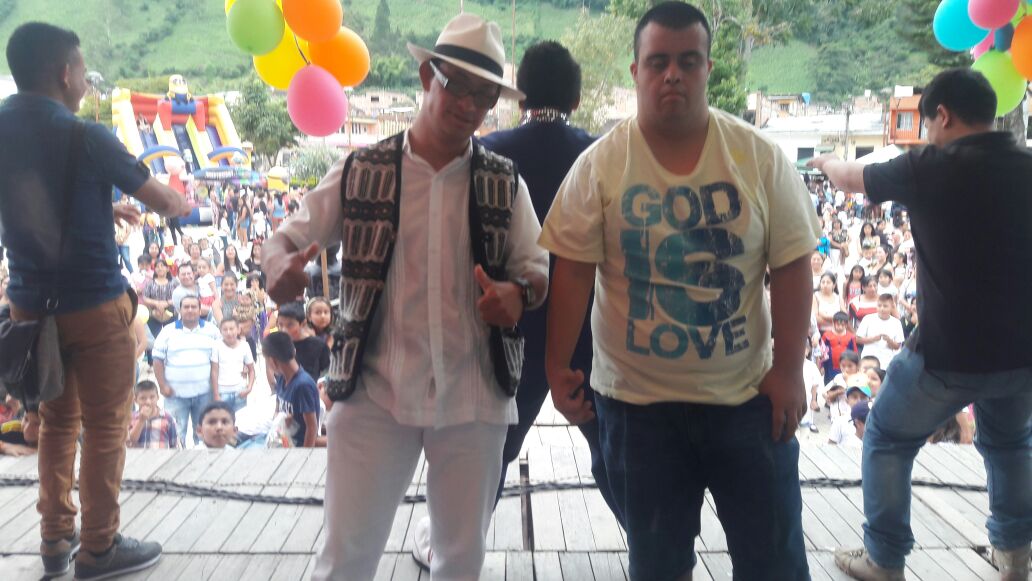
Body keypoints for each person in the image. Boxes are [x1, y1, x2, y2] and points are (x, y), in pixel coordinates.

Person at [264, 13, 548, 580]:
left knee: (461, 561)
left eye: (484, 96)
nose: (469, 105)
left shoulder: (503, 182)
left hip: (473, 394)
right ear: (426, 76)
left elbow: (535, 269)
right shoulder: (361, 170)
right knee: (345, 560)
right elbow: (285, 239)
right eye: (457, 86)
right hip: (375, 390)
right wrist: (278, 266)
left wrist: (518, 295)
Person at [539, 4, 816, 579]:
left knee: (773, 561)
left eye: (688, 62)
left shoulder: (757, 157)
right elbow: (573, 270)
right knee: (659, 564)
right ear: (636, 71)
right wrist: (556, 365)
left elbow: (791, 264)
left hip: (747, 400)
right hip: (637, 408)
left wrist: (790, 369)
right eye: (658, 62)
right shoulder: (600, 165)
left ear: (708, 68)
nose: (673, 75)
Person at [810, 67, 1032, 581]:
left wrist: (824, 162)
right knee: (1010, 444)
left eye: (928, 122)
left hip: (947, 352)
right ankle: (1015, 559)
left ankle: (884, 560)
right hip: (1021, 352)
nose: (929, 132)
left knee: (886, 436)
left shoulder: (928, 166)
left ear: (943, 115)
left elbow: (849, 178)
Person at [413, 39, 620, 563]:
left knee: (492, 452)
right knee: (609, 447)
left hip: (508, 329)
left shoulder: (485, 152)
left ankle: (448, 544)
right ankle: (651, 542)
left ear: (518, 95)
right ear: (576, 98)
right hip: (587, 333)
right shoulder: (603, 155)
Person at [0, 22, 189, 579]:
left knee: (56, 420)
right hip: (94, 306)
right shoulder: (87, 136)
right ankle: (99, 548)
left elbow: (28, 199)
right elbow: (165, 202)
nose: (85, 82)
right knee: (106, 426)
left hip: (29, 307)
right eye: (82, 71)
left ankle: (55, 538)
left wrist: (98, 208)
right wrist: (178, 200)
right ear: (65, 73)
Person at [152, 295, 221, 446]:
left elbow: (221, 358)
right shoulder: (167, 332)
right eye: (186, 307)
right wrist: (162, 386)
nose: (190, 310)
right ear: (179, 310)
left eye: (194, 307)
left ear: (200, 309)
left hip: (205, 394)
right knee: (175, 436)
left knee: (204, 436)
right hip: (175, 394)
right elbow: (157, 359)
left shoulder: (212, 331)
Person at [262, 332, 319, 448]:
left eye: (267, 361)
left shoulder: (303, 385)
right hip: (283, 441)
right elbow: (278, 410)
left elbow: (312, 428)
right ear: (294, 351)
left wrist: (304, 455)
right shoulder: (281, 379)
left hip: (298, 447)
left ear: (272, 361)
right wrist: (280, 421)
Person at [210, 317, 255, 412]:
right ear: (220, 331)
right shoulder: (216, 346)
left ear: (238, 330)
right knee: (224, 418)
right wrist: (216, 394)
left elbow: (251, 369)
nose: (229, 332)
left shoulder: (244, 345)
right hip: (222, 392)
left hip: (240, 391)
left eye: (231, 329)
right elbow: (214, 371)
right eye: (225, 329)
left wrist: (249, 387)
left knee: (241, 419)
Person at [854, 294, 904, 369]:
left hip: (887, 362)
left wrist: (889, 340)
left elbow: (897, 346)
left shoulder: (896, 323)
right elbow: (857, 339)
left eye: (885, 306)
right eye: (879, 305)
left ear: (891, 307)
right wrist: (873, 339)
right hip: (868, 361)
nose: (882, 308)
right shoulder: (868, 319)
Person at [125, 380, 179, 449]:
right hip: (138, 455)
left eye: (152, 397)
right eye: (143, 398)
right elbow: (129, 443)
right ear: (135, 400)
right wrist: (141, 421)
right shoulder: (130, 418)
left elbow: (173, 444)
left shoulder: (167, 418)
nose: (148, 402)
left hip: (161, 455)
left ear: (158, 397)